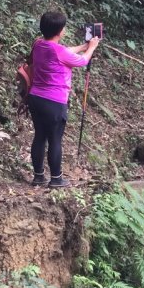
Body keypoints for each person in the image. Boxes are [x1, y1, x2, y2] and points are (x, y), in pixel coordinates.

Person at [28, 11, 100, 188]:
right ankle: (56, 179)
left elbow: (65, 52)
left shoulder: (38, 44)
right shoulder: (59, 51)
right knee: (54, 139)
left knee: (39, 136)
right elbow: (82, 62)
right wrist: (91, 48)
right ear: (60, 31)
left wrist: (83, 46)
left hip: (35, 98)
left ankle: (38, 176)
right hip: (54, 101)